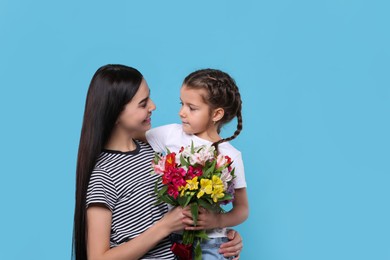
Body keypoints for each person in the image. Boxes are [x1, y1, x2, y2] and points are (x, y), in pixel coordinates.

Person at [72, 64, 244, 260]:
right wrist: (165, 227)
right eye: (143, 103)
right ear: (115, 112)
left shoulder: (155, 152)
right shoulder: (104, 175)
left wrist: (223, 239)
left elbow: (186, 216)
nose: (153, 106)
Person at [146, 69, 249, 259]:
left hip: (213, 243)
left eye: (191, 108)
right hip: (171, 239)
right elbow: (132, 141)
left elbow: (242, 209)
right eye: (181, 103)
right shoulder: (170, 134)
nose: (181, 112)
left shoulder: (231, 156)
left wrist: (217, 220)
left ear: (216, 114)